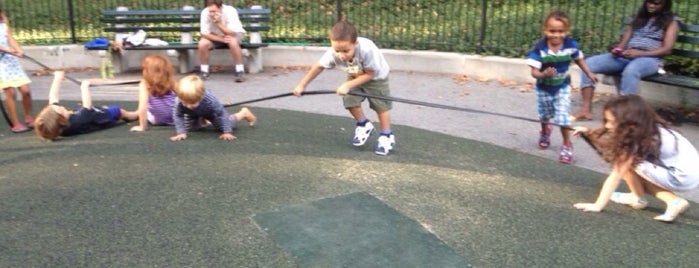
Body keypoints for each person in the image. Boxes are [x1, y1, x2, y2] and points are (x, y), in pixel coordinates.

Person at [572, 95, 699, 223]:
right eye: (606, 120)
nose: (608, 126)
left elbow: (616, 175)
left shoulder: (638, 138)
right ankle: (639, 197)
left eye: (612, 121)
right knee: (628, 161)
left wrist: (597, 205)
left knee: (626, 164)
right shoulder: (647, 127)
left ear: (629, 122)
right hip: (690, 173)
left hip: (680, 177)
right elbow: (612, 139)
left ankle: (664, 200)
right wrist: (588, 132)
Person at [292, 20, 395, 155]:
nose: (341, 55)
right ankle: (364, 124)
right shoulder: (333, 53)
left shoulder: (367, 49)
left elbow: (370, 74)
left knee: (381, 106)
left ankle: (386, 135)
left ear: (355, 43)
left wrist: (347, 85)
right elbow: (318, 67)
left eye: (346, 51)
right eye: (337, 50)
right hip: (355, 74)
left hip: (376, 78)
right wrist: (302, 85)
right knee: (350, 100)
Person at [571, 0, 679, 121]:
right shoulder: (639, 18)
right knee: (589, 64)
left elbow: (667, 49)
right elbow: (623, 43)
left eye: (656, 3)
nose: (651, 5)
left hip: (650, 59)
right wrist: (618, 50)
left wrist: (640, 53)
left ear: (665, 5)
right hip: (627, 56)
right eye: (649, 2)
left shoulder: (671, 22)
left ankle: (624, 117)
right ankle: (586, 110)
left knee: (631, 70)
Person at [526, 10, 598, 164]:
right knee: (545, 115)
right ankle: (545, 131)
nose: (556, 35)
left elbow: (579, 59)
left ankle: (567, 145)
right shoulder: (540, 48)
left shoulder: (571, 45)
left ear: (566, 31)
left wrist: (589, 73)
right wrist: (543, 74)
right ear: (545, 30)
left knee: (562, 117)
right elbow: (533, 72)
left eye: (561, 31)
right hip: (544, 87)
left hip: (562, 86)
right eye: (552, 31)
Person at [34, 71, 139, 141]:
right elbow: (87, 106)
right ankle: (134, 115)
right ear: (62, 118)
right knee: (118, 111)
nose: (59, 106)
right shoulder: (79, 119)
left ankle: (107, 110)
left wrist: (57, 78)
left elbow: (53, 97)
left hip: (90, 116)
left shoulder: (60, 128)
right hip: (99, 119)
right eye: (59, 109)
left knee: (100, 109)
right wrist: (84, 87)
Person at [170, 75, 255, 141]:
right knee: (192, 129)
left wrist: (227, 132)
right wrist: (181, 133)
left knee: (222, 125)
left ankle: (243, 113)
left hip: (210, 112)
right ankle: (202, 119)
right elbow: (178, 116)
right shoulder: (179, 101)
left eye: (192, 103)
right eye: (185, 102)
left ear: (201, 97)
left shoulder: (210, 100)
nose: (188, 106)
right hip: (191, 113)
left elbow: (222, 113)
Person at [0, 8, 34, 133]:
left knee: (26, 91)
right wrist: (8, 50)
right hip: (1, 64)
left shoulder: (3, 23)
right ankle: (15, 123)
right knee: (11, 93)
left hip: (11, 61)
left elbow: (10, 38)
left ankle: (28, 116)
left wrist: (18, 49)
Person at [198, 0, 246, 82]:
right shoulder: (205, 12)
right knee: (202, 43)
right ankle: (204, 71)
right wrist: (221, 39)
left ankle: (240, 70)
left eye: (214, 11)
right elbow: (204, 33)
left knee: (232, 41)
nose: (211, 14)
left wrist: (218, 23)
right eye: (210, 11)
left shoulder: (230, 11)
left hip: (233, 35)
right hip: (215, 37)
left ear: (220, 8)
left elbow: (231, 32)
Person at [129, 55, 177, 132]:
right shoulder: (172, 83)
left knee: (142, 111)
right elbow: (185, 98)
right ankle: (133, 114)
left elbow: (143, 107)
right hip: (175, 119)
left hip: (156, 120)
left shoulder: (144, 84)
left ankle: (132, 114)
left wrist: (142, 127)